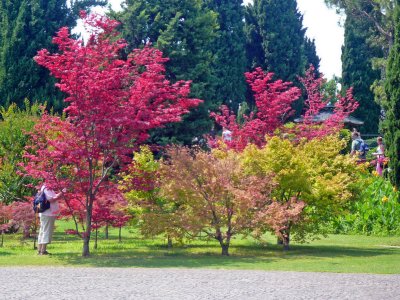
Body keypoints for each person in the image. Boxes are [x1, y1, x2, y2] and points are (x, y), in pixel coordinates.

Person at [37, 184, 65, 255]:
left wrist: (61, 192)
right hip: (48, 213)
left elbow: (54, 196)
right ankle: (43, 250)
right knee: (46, 231)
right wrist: (62, 193)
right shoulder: (47, 188)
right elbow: (51, 199)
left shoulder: (46, 187)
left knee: (43, 231)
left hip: (46, 213)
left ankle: (40, 249)